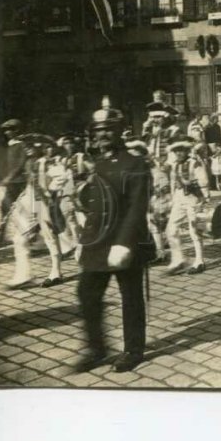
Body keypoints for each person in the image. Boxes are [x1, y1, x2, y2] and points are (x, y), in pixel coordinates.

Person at [74, 103, 154, 373]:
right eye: (99, 130)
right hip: (97, 242)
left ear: (121, 131)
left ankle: (133, 350)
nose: (103, 134)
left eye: (109, 129)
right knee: (86, 293)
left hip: (126, 242)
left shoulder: (135, 162)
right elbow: (94, 204)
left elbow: (136, 207)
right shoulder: (98, 162)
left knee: (130, 297)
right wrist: (83, 240)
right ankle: (97, 349)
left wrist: (123, 243)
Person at [3, 135, 65, 289]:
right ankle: (24, 275)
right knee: (19, 238)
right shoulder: (31, 162)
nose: (27, 148)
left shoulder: (49, 163)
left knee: (50, 236)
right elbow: (31, 184)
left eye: (31, 145)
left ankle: (56, 271)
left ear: (40, 146)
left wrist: (50, 192)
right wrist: (22, 199)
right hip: (31, 201)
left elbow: (60, 179)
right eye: (25, 145)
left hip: (45, 202)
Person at [165, 136, 210, 275]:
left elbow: (204, 182)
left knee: (194, 231)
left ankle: (199, 261)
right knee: (171, 229)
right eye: (176, 150)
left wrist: (203, 200)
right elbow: (173, 183)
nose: (178, 153)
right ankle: (178, 259)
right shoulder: (175, 164)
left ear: (187, 150)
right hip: (179, 199)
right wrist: (172, 198)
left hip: (193, 198)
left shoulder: (194, 163)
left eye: (181, 150)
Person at [0, 119, 28, 232]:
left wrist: (10, 177)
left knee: (22, 208)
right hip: (12, 182)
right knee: (5, 206)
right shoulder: (11, 145)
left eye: (8, 130)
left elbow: (21, 163)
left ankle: (27, 233)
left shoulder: (22, 145)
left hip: (20, 181)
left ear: (16, 130)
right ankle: (0, 233)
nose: (6, 133)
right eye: (5, 130)